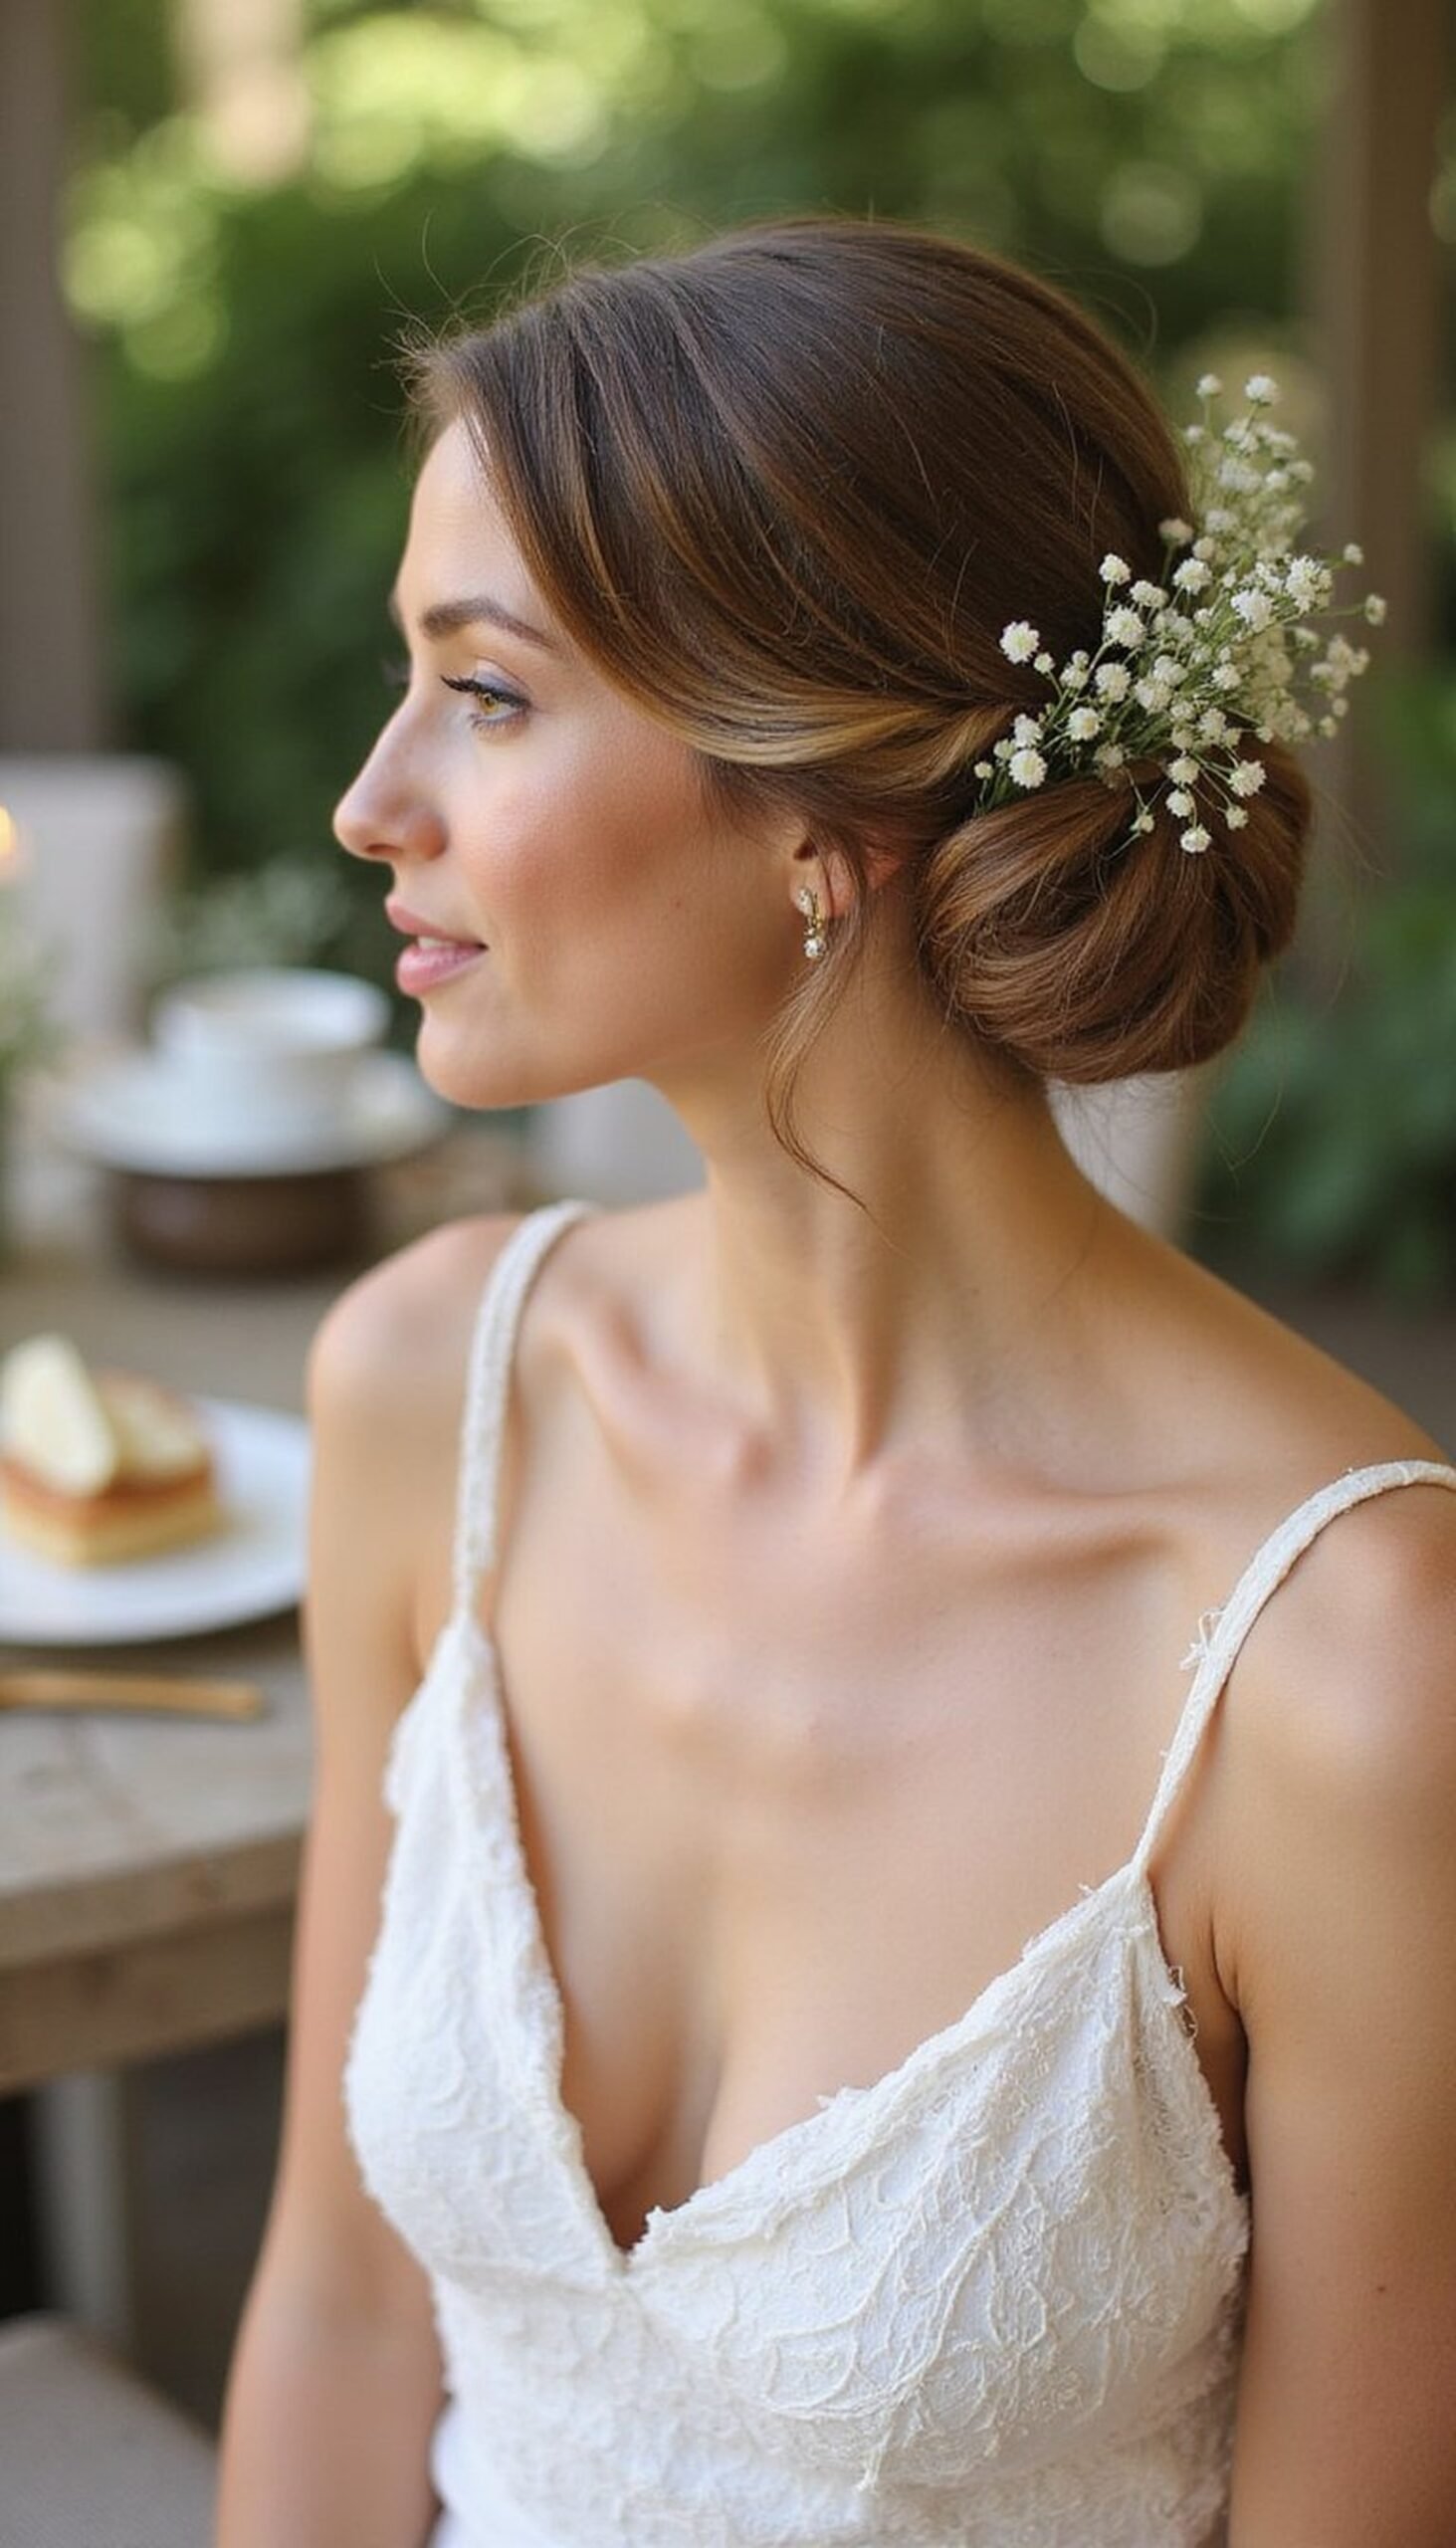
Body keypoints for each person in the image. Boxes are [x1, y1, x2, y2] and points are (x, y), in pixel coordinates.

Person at [215, 219, 1456, 2547]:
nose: (373, 801)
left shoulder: (1357, 1671)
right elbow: (347, 2311)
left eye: (485, 695)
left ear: (827, 806)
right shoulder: (430, 1394)